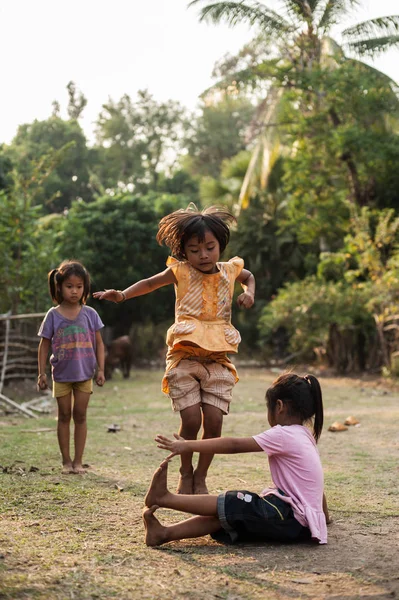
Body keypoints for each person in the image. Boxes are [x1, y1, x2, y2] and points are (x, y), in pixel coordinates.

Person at [93, 205, 255, 494]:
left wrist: (249, 294)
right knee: (191, 420)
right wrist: (123, 294)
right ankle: (185, 470)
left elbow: (249, 277)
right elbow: (150, 283)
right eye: (194, 250)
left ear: (221, 245)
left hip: (218, 358)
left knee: (214, 423)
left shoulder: (231, 270)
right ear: (184, 252)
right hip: (184, 355)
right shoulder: (180, 271)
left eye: (209, 247)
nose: (203, 255)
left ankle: (201, 476)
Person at [143, 373, 331, 547]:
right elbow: (315, 487)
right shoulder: (305, 435)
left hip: (289, 519)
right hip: (295, 523)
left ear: (279, 407)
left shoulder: (284, 434)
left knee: (236, 502)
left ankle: (165, 498)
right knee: (230, 514)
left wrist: (188, 445)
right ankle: (163, 533)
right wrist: (322, 518)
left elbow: (234, 445)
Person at [37, 260, 105, 474]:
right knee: (64, 416)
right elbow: (44, 345)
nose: (74, 291)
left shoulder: (90, 314)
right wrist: (41, 373)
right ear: (59, 287)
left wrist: (101, 369)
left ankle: (78, 461)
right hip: (61, 375)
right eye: (69, 286)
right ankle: (66, 461)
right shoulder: (53, 315)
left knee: (81, 416)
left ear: (85, 287)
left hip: (85, 374)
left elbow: (99, 343)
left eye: (79, 286)